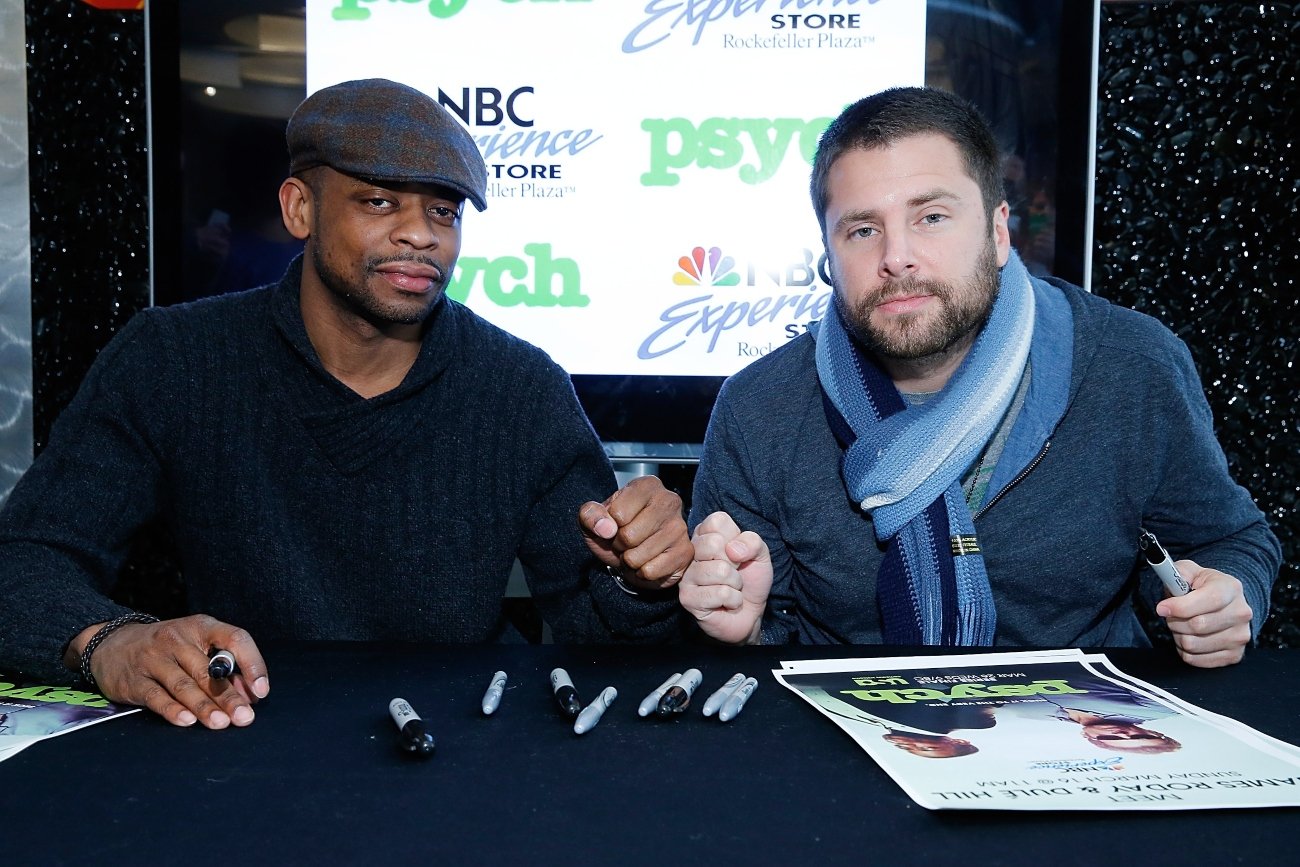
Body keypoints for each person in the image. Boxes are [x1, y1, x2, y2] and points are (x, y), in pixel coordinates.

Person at [0, 79, 692, 730]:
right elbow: (24, 562)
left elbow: (600, 639)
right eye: (380, 202)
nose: (422, 234)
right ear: (300, 207)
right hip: (234, 740)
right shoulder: (173, 360)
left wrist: (640, 579)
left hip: (463, 746)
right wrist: (108, 642)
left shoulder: (520, 387)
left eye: (443, 212)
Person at [681, 87, 1280, 667]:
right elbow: (762, 636)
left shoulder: (1130, 363)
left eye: (932, 216)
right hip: (844, 741)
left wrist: (1225, 599)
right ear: (828, 256)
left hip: (1082, 735)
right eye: (863, 230)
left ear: (998, 232)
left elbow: (1228, 542)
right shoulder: (759, 406)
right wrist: (746, 629)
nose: (897, 256)